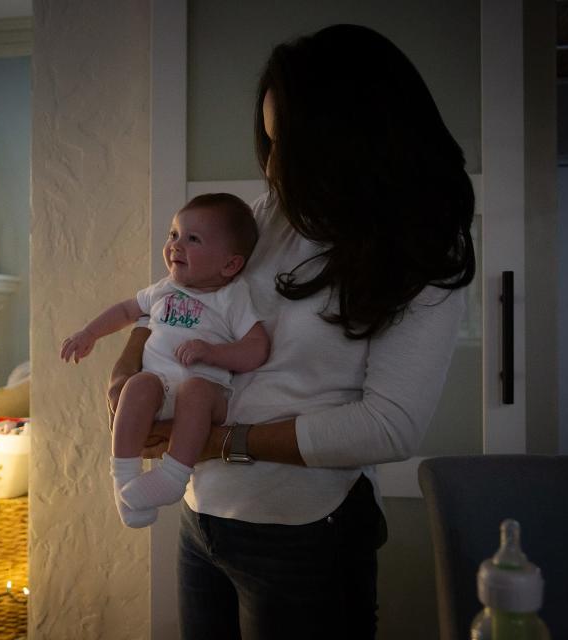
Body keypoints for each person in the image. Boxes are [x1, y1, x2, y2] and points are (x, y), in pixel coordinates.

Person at [107, 24, 476, 639]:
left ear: (358, 142)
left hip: (305, 534)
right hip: (203, 514)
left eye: (290, 146)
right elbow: (177, 296)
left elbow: (387, 425)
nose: (271, 167)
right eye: (271, 142)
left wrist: (216, 441)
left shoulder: (421, 254)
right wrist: (128, 367)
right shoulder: (272, 212)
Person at [62, 193, 270, 528]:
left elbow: (257, 348)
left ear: (229, 264)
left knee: (195, 391)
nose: (176, 245)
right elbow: (127, 310)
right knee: (137, 384)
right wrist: (89, 334)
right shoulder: (164, 288)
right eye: (173, 234)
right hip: (160, 387)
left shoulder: (232, 296)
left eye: (193, 239)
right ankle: (124, 481)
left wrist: (213, 353)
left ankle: (173, 476)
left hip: (209, 392)